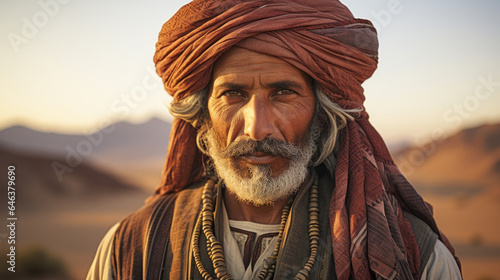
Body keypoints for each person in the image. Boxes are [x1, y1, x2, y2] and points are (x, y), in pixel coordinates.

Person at [87, 0, 462, 279]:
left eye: (284, 93)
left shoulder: (411, 252)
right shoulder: (133, 245)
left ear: (323, 110)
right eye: (232, 94)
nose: (257, 128)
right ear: (203, 117)